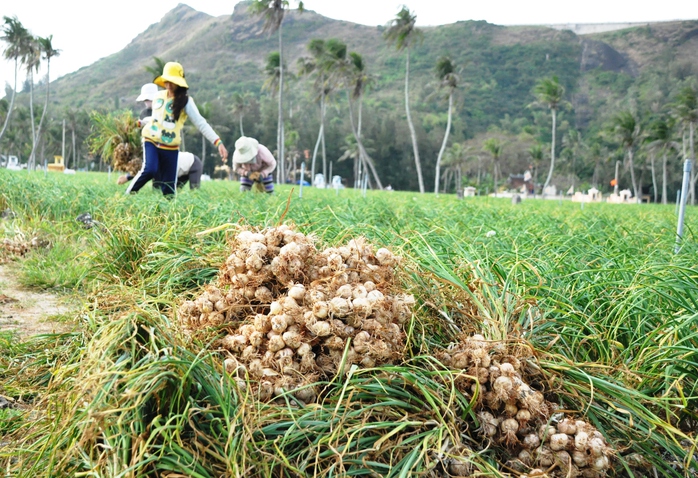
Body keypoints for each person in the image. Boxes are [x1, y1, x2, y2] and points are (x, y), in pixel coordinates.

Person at [126, 62, 228, 196]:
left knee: (169, 187)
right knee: (150, 169)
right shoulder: (158, 96)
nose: (168, 85)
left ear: (179, 82)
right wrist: (139, 123)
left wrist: (217, 142)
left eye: (172, 82)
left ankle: (168, 212)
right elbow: (155, 119)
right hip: (150, 139)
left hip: (170, 146)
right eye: (166, 81)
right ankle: (127, 195)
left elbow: (200, 122)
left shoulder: (186, 102)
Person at [118, 152, 203, 190]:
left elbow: (145, 171)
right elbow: (144, 169)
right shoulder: (153, 164)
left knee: (194, 190)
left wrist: (128, 177)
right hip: (180, 170)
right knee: (171, 191)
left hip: (193, 163)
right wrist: (127, 177)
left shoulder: (159, 165)